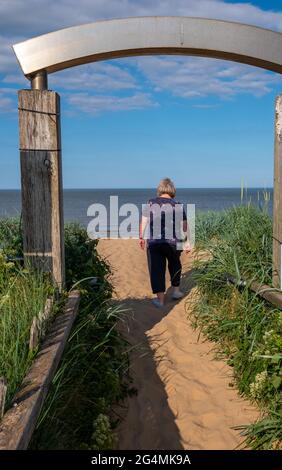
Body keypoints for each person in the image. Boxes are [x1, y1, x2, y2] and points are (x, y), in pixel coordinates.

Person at [139, 178, 192, 308]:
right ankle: (176, 291)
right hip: (173, 242)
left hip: (155, 242)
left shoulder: (151, 203)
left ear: (160, 190)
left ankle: (161, 301)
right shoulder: (178, 205)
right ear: (172, 190)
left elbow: (144, 221)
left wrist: (141, 237)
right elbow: (184, 227)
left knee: (156, 269)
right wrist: (187, 242)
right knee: (175, 264)